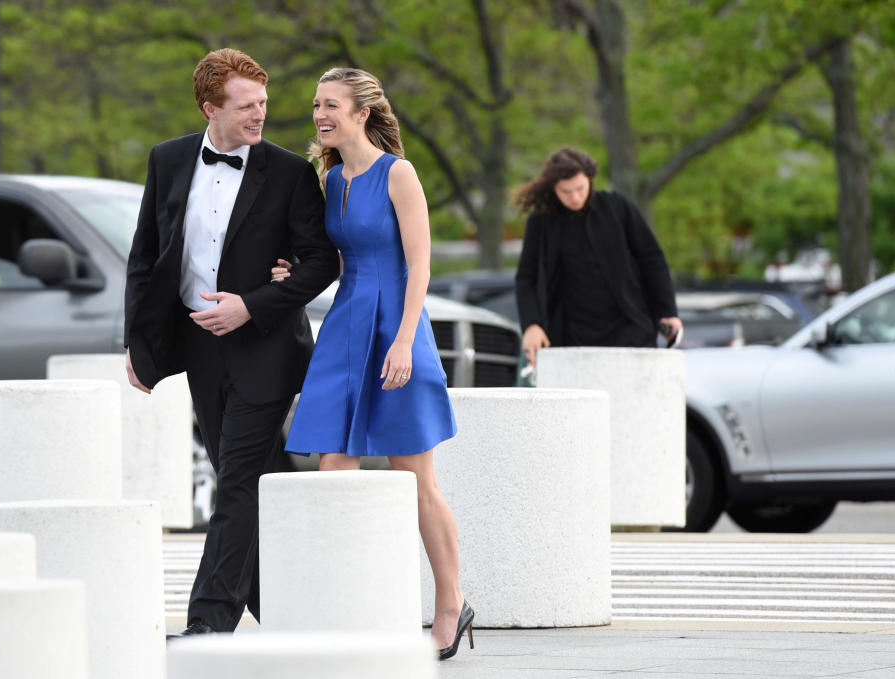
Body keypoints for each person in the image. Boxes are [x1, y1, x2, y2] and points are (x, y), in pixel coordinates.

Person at [124, 48, 340, 636]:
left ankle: (208, 625)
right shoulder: (167, 160)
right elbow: (146, 257)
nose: (259, 116)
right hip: (199, 350)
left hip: (267, 348)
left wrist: (253, 305)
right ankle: (293, 615)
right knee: (248, 487)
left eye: (263, 104)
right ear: (208, 107)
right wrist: (138, 345)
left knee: (238, 483)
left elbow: (320, 262)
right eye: (246, 107)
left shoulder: (291, 172)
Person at [271, 67, 473, 661]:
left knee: (416, 479)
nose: (319, 115)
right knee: (334, 464)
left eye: (330, 104)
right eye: (315, 105)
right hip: (346, 326)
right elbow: (334, 261)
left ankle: (449, 602)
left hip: (396, 325)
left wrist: (406, 340)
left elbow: (421, 266)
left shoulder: (398, 173)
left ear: (362, 112)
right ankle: (354, 607)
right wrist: (293, 275)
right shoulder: (331, 179)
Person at [514, 147, 682, 366]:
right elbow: (525, 277)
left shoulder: (617, 207)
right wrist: (531, 325)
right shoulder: (541, 221)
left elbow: (651, 258)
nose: (575, 197)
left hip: (629, 328)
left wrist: (667, 311)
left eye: (580, 188)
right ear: (553, 189)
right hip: (569, 336)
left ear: (590, 180)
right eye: (566, 192)